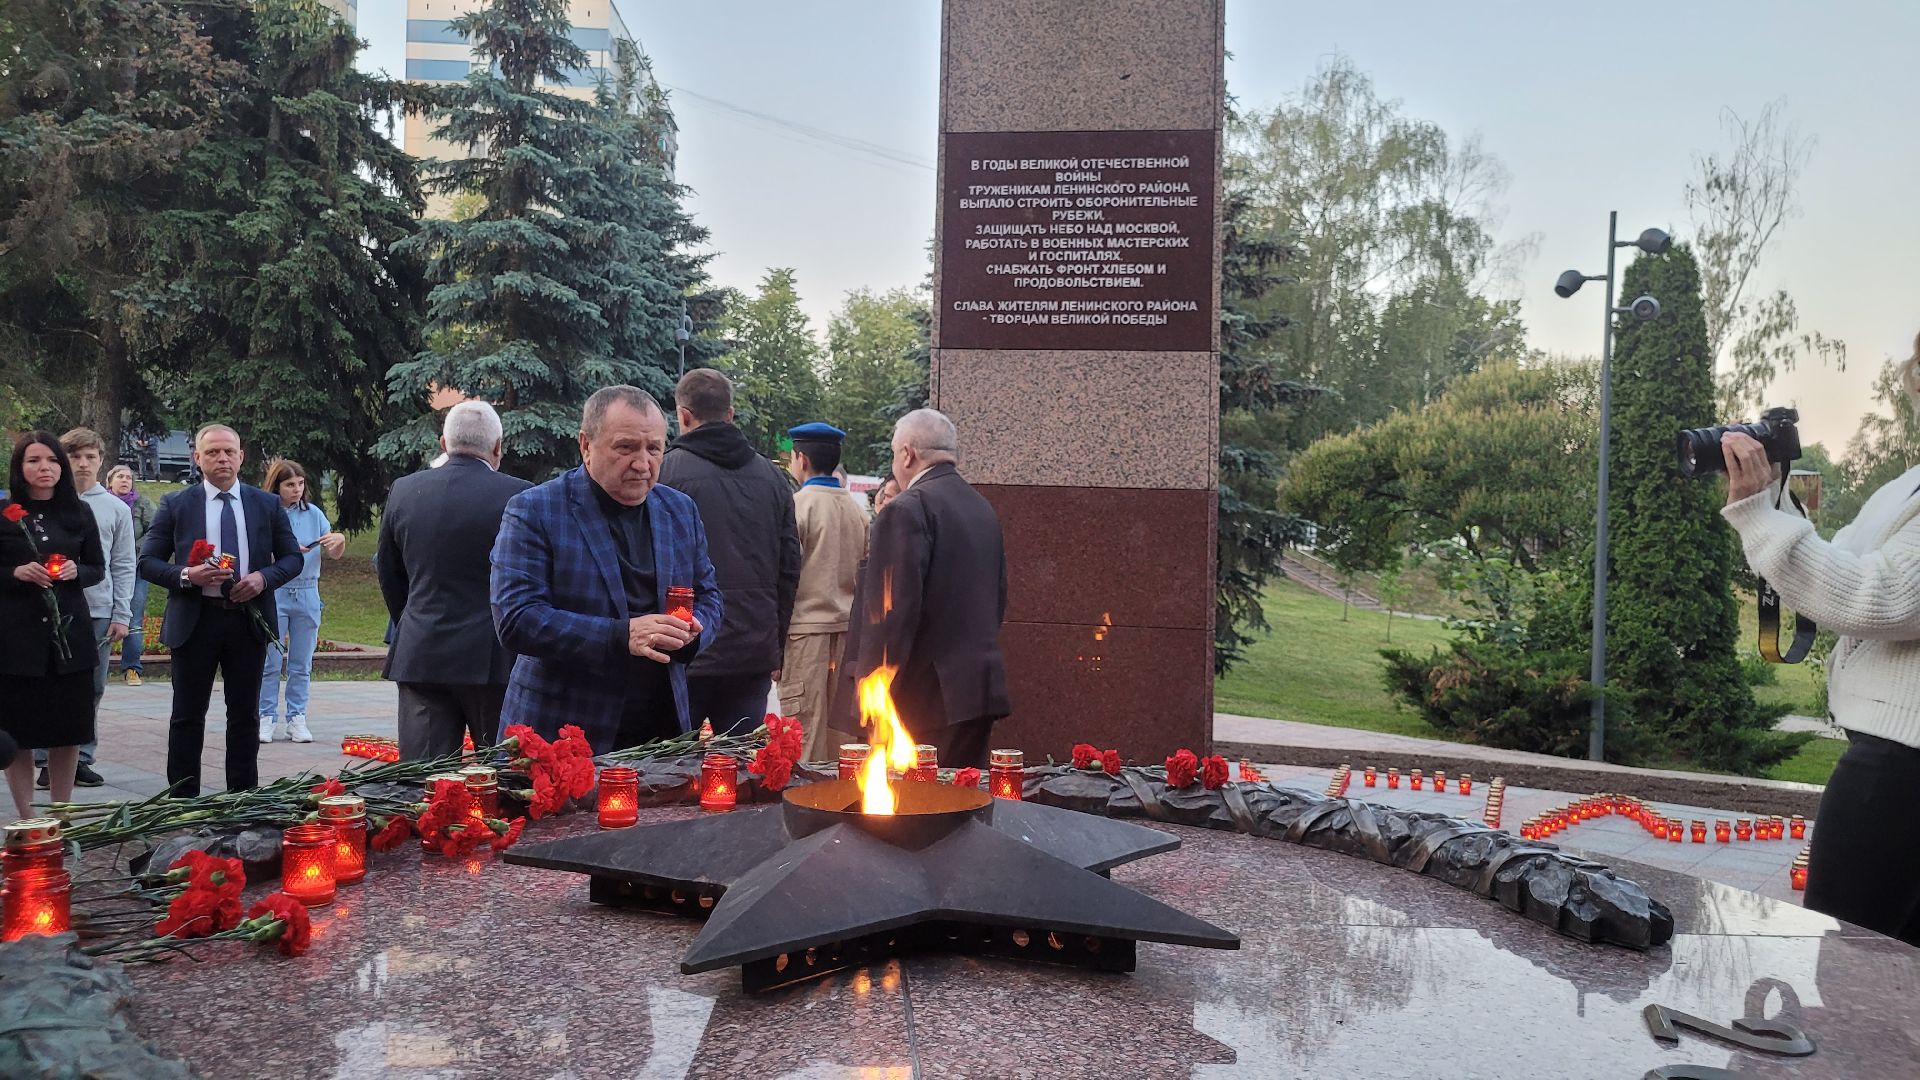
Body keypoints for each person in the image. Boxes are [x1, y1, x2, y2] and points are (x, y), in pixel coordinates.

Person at [1719, 330, 1920, 946]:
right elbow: (1840, 568)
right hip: (1893, 754)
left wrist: (1756, 515)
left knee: (1854, 959)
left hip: (1902, 766)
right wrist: (1774, 494)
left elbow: (1881, 599)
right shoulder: (1905, 486)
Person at [492, 386, 723, 754]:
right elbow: (517, 619)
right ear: (586, 445)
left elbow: (709, 595)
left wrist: (695, 632)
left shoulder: (680, 510)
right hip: (561, 736)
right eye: (626, 447)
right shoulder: (535, 510)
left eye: (654, 448)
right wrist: (620, 636)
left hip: (662, 733)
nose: (643, 463)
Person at [138, 424, 304, 797]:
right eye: (212, 452)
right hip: (196, 619)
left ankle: (242, 798)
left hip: (248, 619)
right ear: (197, 458)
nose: (222, 458)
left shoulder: (267, 504)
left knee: (244, 715)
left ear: (241, 456)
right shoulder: (177, 504)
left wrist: (263, 578)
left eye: (229, 451)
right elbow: (147, 562)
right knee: (187, 715)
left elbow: (293, 558)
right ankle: (182, 800)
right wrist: (186, 574)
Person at [846, 409, 1008, 767]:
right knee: (964, 809)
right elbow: (998, 599)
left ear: (907, 453)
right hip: (977, 692)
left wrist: (873, 698)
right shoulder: (981, 508)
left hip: (921, 704)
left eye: (893, 452)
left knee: (915, 814)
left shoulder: (906, 510)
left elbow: (890, 614)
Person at [377, 401, 530, 759]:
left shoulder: (404, 490)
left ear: (443, 444)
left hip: (422, 652)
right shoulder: (519, 494)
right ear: (497, 448)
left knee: (423, 781)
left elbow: (388, 572)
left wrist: (414, 620)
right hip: (494, 657)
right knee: (501, 775)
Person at [657, 370, 799, 735]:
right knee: (741, 774)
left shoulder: (665, 473)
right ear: (731, 414)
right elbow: (789, 570)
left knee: (669, 772)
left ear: (683, 416)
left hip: (684, 648)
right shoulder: (773, 477)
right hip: (752, 653)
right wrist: (775, 646)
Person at [0, 434, 105, 818]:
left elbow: (97, 567)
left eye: (51, 460)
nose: (43, 467)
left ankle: (61, 815)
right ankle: (28, 819)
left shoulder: (78, 513)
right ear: (20, 468)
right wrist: (15, 572)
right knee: (19, 733)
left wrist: (79, 571)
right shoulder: (5, 512)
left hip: (69, 638)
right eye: (33, 460)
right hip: (17, 640)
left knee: (68, 729)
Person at [30, 429, 135, 789]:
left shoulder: (116, 508)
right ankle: (45, 758)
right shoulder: (45, 505)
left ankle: (82, 757)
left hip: (98, 609)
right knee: (48, 684)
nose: (83, 463)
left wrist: (122, 613)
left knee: (91, 686)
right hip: (48, 607)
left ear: (101, 461)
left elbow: (123, 562)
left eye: (90, 456)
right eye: (75, 456)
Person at [781, 423, 871, 761]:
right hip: (846, 635)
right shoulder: (857, 511)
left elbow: (787, 577)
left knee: (801, 736)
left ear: (801, 459)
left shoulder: (798, 507)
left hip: (805, 636)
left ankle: (804, 806)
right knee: (843, 740)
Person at [257, 459, 346, 744]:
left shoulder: (314, 513)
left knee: (301, 662)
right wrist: (284, 552)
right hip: (275, 591)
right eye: (289, 485)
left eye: (300, 484)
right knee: (270, 660)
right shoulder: (267, 512)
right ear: (276, 485)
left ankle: (297, 718)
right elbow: (256, 553)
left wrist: (338, 541)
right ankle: (265, 716)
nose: (296, 490)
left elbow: (333, 552)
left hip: (307, 592)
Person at [106, 465, 157, 686]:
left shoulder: (143, 505)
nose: (125, 480)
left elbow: (155, 531)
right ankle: (96, 667)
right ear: (110, 481)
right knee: (99, 618)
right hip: (104, 570)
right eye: (120, 476)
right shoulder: (101, 504)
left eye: (129, 477)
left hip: (135, 570)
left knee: (133, 618)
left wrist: (132, 549)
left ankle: (132, 669)